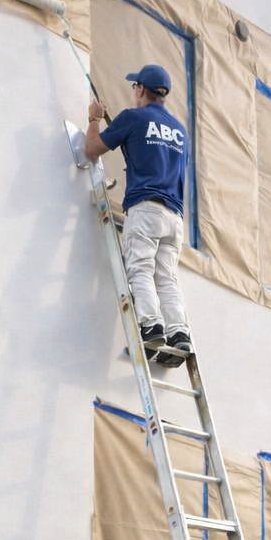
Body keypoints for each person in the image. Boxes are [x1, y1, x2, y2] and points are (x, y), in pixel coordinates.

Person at [84, 62, 193, 367]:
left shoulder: (133, 118)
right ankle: (178, 333)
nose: (133, 91)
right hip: (175, 217)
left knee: (140, 269)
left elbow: (92, 149)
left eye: (134, 86)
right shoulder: (180, 131)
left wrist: (94, 118)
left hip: (146, 209)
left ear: (141, 89)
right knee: (167, 277)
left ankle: (151, 327)